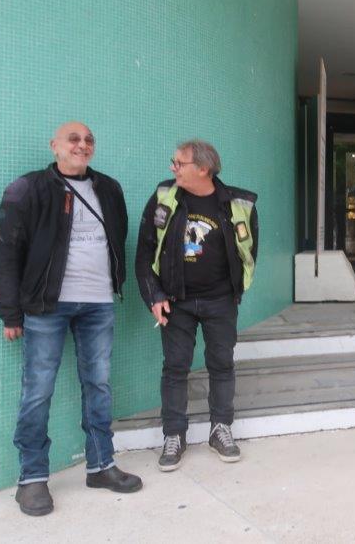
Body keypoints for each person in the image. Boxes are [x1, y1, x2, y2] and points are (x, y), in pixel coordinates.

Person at [0, 121, 141, 517]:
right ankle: (32, 478)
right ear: (54, 145)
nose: (82, 144)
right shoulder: (28, 188)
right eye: (73, 139)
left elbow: (118, 237)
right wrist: (10, 311)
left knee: (99, 384)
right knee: (38, 389)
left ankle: (101, 465)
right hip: (46, 306)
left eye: (89, 139)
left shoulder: (109, 189)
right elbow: (4, 251)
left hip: (99, 303)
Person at [135, 139, 259, 471]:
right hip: (176, 302)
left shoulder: (238, 204)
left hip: (221, 301)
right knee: (175, 367)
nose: (172, 167)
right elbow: (145, 251)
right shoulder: (165, 198)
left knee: (222, 364)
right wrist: (154, 295)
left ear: (203, 169)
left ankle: (221, 429)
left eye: (179, 163)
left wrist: (235, 292)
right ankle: (174, 434)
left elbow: (249, 252)